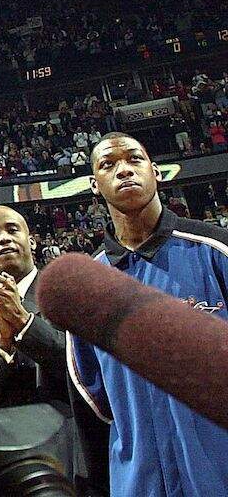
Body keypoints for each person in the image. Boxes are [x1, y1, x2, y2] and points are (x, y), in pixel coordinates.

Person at [69, 132, 228, 496]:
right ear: (95, 185)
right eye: (108, 164)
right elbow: (94, 405)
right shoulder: (87, 286)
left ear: (156, 171)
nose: (123, 170)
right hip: (138, 483)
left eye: (134, 159)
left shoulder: (217, 250)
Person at [0, 206, 78, 478]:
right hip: (7, 452)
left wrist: (24, 322)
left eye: (12, 229)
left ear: (31, 240)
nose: (4, 238)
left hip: (70, 445)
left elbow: (83, 367)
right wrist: (1, 341)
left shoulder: (68, 289)